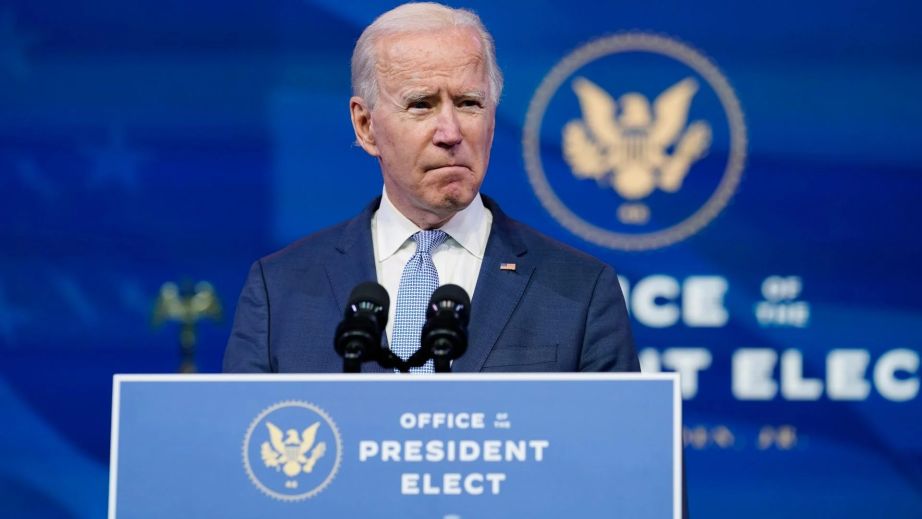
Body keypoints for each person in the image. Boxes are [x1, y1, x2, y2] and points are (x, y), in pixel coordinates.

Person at [223, 2, 639, 374]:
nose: (450, 132)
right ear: (366, 126)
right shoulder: (280, 290)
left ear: (492, 121)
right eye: (421, 104)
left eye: (468, 103)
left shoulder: (580, 290)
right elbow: (237, 447)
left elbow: (626, 453)